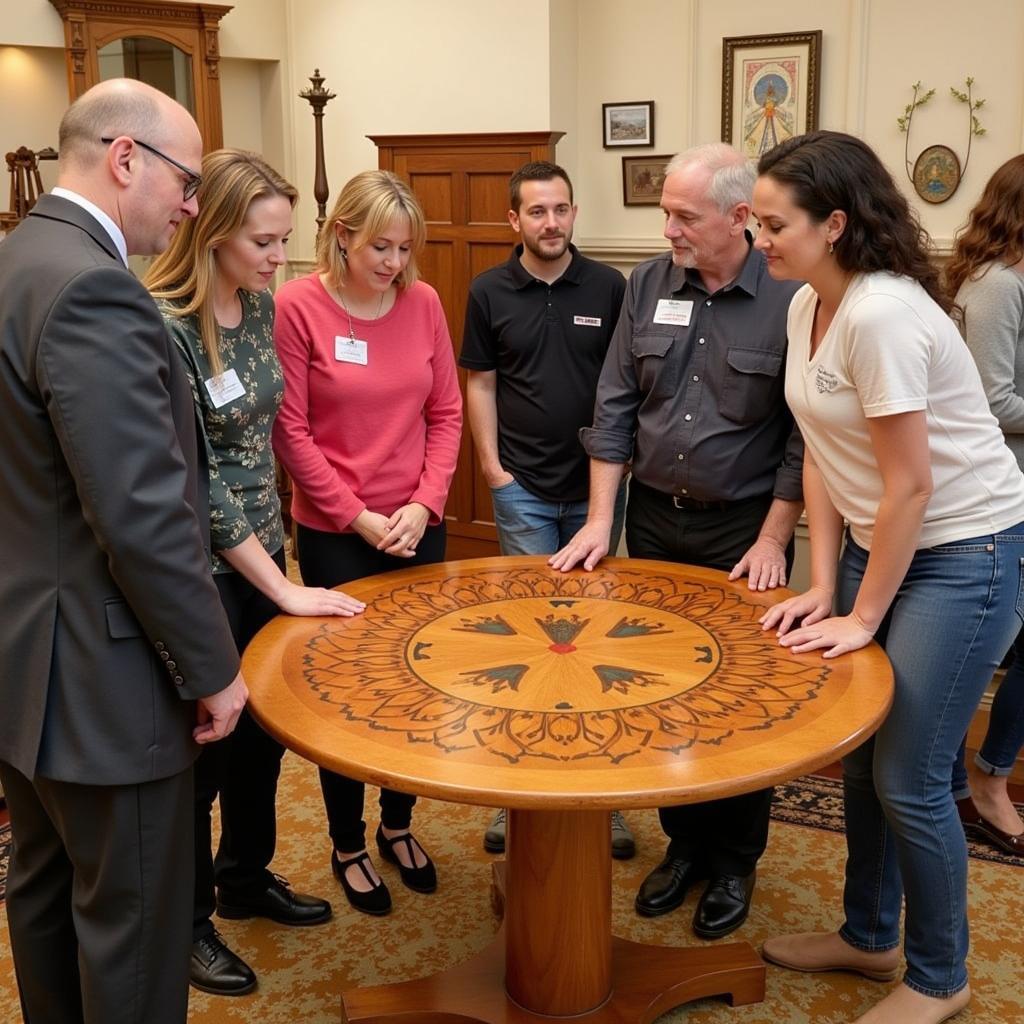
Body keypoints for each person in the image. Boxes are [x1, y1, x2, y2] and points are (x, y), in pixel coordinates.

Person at [754, 130, 1024, 1024]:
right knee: (867, 764)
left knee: (909, 776)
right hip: (889, 543)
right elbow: (827, 449)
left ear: (833, 224)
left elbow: (912, 483)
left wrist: (865, 615)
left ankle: (941, 980)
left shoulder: (883, 314)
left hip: (968, 550)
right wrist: (825, 582)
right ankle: (871, 939)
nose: (760, 239)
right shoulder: (808, 307)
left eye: (772, 224)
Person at [0, 79, 248, 1024]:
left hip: (28, 671)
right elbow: (143, 521)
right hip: (105, 684)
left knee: (48, 902)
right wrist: (214, 672)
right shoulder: (95, 290)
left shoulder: (19, 258)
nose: (192, 205)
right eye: (184, 179)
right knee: (134, 940)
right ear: (125, 159)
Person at [551, 143, 803, 940]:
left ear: (739, 218)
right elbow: (616, 403)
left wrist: (773, 537)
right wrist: (602, 521)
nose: (668, 230)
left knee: (740, 701)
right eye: (665, 212)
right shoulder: (647, 285)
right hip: (656, 519)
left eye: (683, 216)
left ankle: (734, 860)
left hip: (742, 533)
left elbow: (805, 436)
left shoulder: (793, 295)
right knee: (657, 687)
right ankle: (684, 845)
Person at [145, 149, 366, 995]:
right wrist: (284, 588)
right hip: (206, 571)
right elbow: (195, 482)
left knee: (262, 741)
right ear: (213, 231)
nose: (283, 258)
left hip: (268, 553)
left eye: (284, 241)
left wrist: (294, 552)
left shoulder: (260, 305)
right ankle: (190, 925)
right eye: (266, 242)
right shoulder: (164, 323)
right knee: (203, 752)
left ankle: (244, 878)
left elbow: (274, 433)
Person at [273, 170, 462, 916]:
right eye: (380, 246)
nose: (393, 262)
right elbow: (290, 429)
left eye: (404, 247)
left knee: (416, 685)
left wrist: (426, 502)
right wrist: (354, 516)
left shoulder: (423, 303)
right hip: (336, 535)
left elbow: (445, 413)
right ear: (342, 234)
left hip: (417, 526)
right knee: (347, 696)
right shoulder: (298, 305)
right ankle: (348, 841)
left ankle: (398, 824)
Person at [459, 159, 634, 859]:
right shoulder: (488, 290)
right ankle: (518, 794)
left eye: (561, 209)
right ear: (514, 220)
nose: (551, 223)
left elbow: (625, 388)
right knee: (530, 645)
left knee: (595, 644)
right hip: (524, 488)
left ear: (573, 213)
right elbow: (481, 384)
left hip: (598, 492)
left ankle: (605, 802)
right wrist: (493, 470)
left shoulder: (611, 287)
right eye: (537, 212)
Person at [944, 155, 1024, 856]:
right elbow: (994, 403)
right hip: (1000, 498)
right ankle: (979, 778)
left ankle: (971, 778)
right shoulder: (997, 285)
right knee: (988, 650)